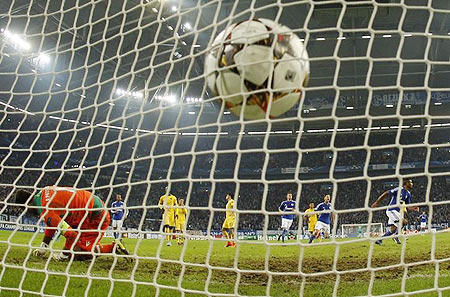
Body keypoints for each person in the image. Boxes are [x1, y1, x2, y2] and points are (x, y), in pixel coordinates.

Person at [14, 186, 130, 261]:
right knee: (75, 248)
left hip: (96, 216)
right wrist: (44, 246)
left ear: (27, 205)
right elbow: (52, 223)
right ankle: (92, 245)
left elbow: (72, 234)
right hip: (91, 206)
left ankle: (113, 248)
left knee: (78, 254)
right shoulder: (44, 193)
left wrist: (63, 255)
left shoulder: (46, 210)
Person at [371, 179, 419, 245]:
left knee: (393, 229)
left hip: (396, 212)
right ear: (406, 183)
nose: (412, 184)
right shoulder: (399, 189)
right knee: (404, 222)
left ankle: (379, 240)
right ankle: (396, 236)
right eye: (410, 182)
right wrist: (377, 202)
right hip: (391, 210)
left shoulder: (408, 194)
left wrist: (413, 208)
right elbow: (386, 193)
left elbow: (408, 206)